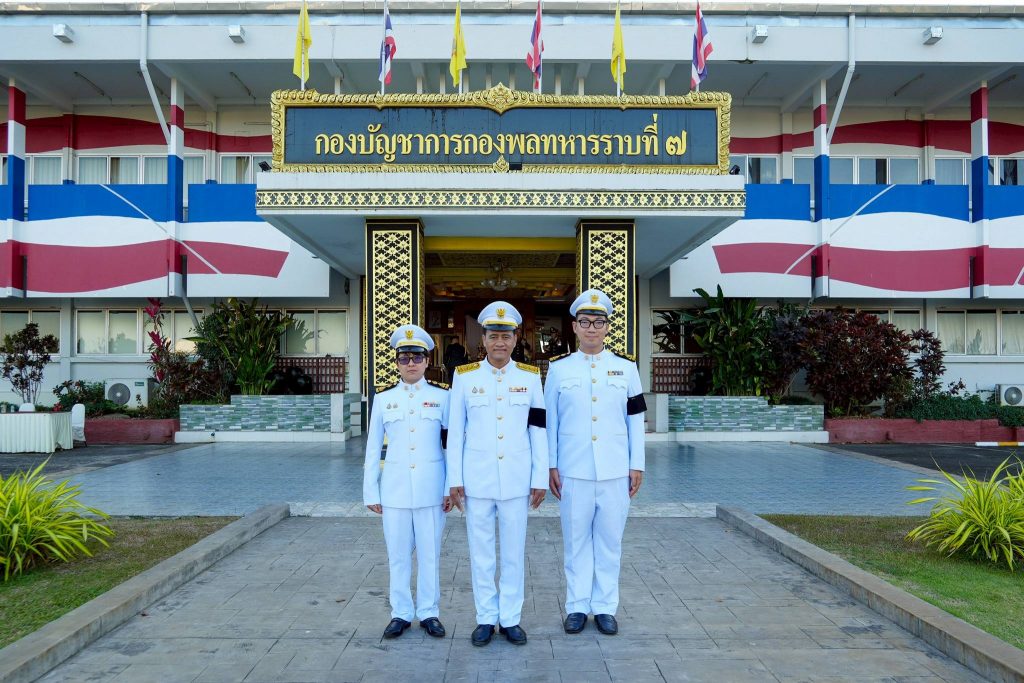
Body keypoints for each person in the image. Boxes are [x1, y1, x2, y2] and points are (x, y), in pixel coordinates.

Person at [544, 289, 646, 636]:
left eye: (598, 322)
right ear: (574, 326)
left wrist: (637, 463)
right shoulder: (559, 370)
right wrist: (551, 464)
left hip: (616, 470)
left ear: (607, 327)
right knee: (576, 543)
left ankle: (604, 607)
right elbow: (551, 422)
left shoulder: (626, 369)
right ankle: (576, 606)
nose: (591, 328)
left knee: (609, 542)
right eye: (585, 322)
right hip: (573, 471)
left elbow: (636, 420)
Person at [446, 301, 548, 647]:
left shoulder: (530, 378)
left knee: (514, 553)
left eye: (506, 336)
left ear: (516, 339)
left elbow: (538, 430)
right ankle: (486, 618)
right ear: (484, 339)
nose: (500, 342)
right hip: (477, 479)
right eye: (493, 336)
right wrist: (454, 479)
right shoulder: (465, 377)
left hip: (517, 479)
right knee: (482, 554)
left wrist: (538, 478)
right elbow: (455, 432)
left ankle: (511, 619)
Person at [363, 324, 453, 640]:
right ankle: (400, 613)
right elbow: (373, 447)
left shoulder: (443, 397)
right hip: (395, 491)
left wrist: (450, 488)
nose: (411, 363)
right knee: (398, 556)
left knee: (430, 555)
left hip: (432, 490)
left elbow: (450, 446)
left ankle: (429, 612)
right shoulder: (384, 398)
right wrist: (371, 491)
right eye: (404, 358)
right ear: (397, 363)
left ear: (427, 361)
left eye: (417, 357)